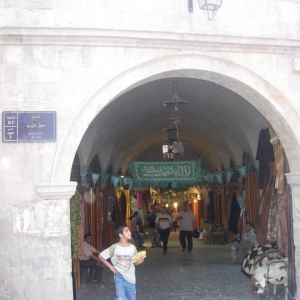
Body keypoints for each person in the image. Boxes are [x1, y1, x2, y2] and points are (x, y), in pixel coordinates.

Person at [98, 224, 144, 300]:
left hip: (131, 278)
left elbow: (134, 262)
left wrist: (139, 261)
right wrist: (111, 267)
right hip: (119, 276)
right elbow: (101, 256)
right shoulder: (114, 247)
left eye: (129, 230)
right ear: (120, 235)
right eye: (126, 231)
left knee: (132, 298)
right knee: (121, 298)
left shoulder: (132, 247)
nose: (129, 232)